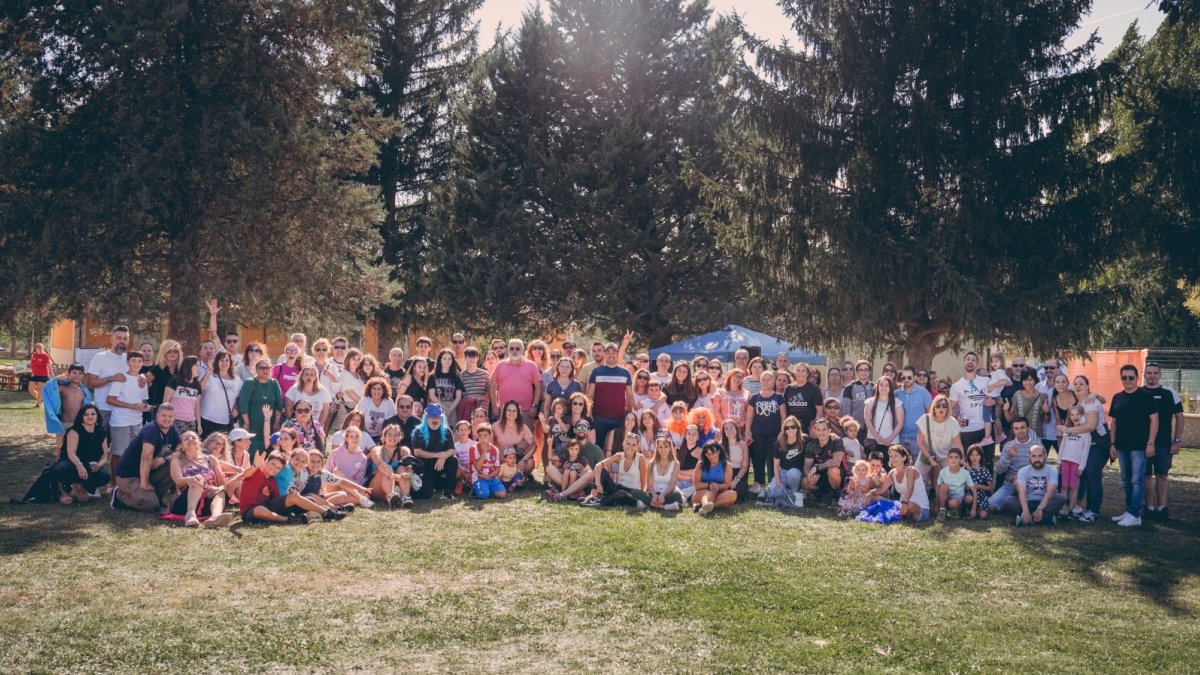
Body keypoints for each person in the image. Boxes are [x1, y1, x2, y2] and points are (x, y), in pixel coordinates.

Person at [1107, 364, 1158, 527]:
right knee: (1126, 480)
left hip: (1139, 447)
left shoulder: (1146, 396)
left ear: (1137, 377)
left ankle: (1135, 514)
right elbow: (1113, 423)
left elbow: (1154, 420)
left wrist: (1151, 442)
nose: (1127, 381)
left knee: (1137, 480)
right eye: (1124, 377)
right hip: (1121, 446)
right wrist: (1112, 444)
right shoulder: (1117, 397)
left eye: (1131, 377)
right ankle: (1129, 511)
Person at [112, 404, 182, 512]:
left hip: (148, 472)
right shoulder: (151, 429)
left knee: (176, 463)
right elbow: (146, 457)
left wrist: (165, 459)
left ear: (174, 417)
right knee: (151, 506)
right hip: (128, 476)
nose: (167, 419)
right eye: (164, 415)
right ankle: (119, 495)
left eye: (170, 416)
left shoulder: (173, 430)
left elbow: (181, 451)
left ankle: (155, 496)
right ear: (157, 416)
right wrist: (144, 484)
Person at [1142, 362, 1185, 519]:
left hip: (1164, 444)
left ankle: (1162, 508)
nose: (1152, 376)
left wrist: (1177, 440)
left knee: (1162, 476)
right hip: (1142, 444)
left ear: (1160, 374)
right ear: (1144, 374)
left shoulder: (1169, 393)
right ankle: (1149, 508)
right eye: (1149, 373)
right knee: (1145, 476)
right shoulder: (1138, 392)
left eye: (1155, 373)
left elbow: (1180, 417)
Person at [168, 431, 234, 528]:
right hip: (184, 502)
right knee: (198, 478)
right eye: (186, 439)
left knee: (220, 492)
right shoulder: (177, 460)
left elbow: (223, 485)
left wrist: (217, 488)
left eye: (194, 438)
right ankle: (190, 515)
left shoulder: (210, 459)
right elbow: (179, 481)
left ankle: (215, 517)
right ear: (182, 446)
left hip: (206, 500)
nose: (190, 439)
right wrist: (190, 480)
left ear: (199, 444)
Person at [993, 444, 1066, 526]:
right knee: (1008, 500)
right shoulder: (1023, 471)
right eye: (1034, 456)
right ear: (1029, 458)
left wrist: (1039, 509)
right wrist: (1025, 510)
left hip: (1044, 503)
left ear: (1045, 456)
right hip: (1027, 502)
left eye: (1040, 456)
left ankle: (1025, 519)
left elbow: (1051, 491)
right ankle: (1045, 518)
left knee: (1061, 498)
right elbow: (1022, 491)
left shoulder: (1052, 470)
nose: (1037, 459)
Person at [105, 352, 151, 480]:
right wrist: (130, 406)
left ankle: (128, 479)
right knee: (118, 453)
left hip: (137, 421)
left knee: (134, 453)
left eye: (139, 361)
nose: (136, 364)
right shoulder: (121, 379)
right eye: (133, 361)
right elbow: (110, 399)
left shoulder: (142, 380)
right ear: (128, 362)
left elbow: (143, 401)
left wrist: (145, 406)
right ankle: (113, 482)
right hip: (120, 421)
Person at [52, 404, 110, 504]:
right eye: (86, 414)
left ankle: (81, 486)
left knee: (105, 476)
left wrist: (99, 465)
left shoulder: (101, 433)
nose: (90, 416)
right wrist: (80, 466)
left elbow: (105, 456)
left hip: (89, 465)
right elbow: (71, 453)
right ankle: (64, 491)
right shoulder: (74, 431)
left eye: (93, 414)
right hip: (71, 463)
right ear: (81, 417)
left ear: (97, 417)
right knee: (65, 468)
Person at [586, 341, 635, 452]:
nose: (611, 355)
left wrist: (631, 412)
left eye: (614, 352)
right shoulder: (596, 372)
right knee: (597, 448)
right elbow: (589, 395)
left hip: (619, 418)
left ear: (618, 354)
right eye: (608, 352)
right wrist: (589, 414)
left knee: (617, 449)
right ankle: (597, 469)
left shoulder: (625, 373)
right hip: (599, 418)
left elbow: (630, 395)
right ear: (604, 354)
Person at [86, 325, 135, 431]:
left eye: (125, 338)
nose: (122, 341)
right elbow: (90, 383)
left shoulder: (130, 359)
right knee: (101, 444)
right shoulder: (100, 357)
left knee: (120, 446)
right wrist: (111, 379)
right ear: (111, 340)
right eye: (118, 338)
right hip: (103, 409)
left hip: (123, 411)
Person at [866, 444, 930, 522]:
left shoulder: (911, 470)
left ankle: (900, 512)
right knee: (876, 498)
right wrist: (870, 492)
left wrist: (904, 502)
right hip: (902, 505)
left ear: (904, 457)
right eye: (891, 456)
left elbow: (910, 488)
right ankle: (900, 512)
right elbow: (882, 489)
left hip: (920, 509)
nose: (893, 458)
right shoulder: (892, 473)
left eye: (896, 455)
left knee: (909, 505)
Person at [409, 403, 459, 500]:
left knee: (453, 460)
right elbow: (417, 452)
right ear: (426, 418)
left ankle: (448, 491)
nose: (434, 420)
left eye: (437, 417)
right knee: (426, 494)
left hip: (440, 464)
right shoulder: (418, 431)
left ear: (441, 418)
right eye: (431, 417)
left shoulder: (446, 430)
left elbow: (452, 450)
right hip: (425, 465)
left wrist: (443, 456)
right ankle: (433, 484)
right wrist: (437, 455)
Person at [746, 370, 785, 492]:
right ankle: (759, 484)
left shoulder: (779, 397)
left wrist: (781, 431)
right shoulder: (754, 397)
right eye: (763, 379)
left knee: (772, 459)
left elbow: (784, 416)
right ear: (760, 381)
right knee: (758, 459)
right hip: (758, 433)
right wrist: (748, 431)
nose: (766, 382)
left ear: (773, 381)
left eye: (769, 379)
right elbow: (749, 417)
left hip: (774, 433)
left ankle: (772, 483)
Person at [588, 433, 651, 508]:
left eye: (633, 445)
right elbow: (599, 465)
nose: (630, 446)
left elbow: (644, 482)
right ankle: (595, 496)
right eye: (628, 443)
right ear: (624, 443)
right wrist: (597, 482)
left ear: (637, 447)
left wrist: (642, 496)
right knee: (602, 472)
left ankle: (599, 502)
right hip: (617, 488)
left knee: (622, 493)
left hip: (631, 493)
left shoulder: (641, 459)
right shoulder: (619, 456)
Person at [238, 358, 284, 462]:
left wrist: (277, 421)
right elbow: (243, 403)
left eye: (268, 368)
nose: (265, 370)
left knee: (267, 449)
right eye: (262, 368)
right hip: (252, 423)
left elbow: (279, 404)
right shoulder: (250, 382)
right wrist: (246, 422)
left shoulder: (273, 383)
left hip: (270, 423)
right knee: (252, 450)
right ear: (256, 369)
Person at [989, 418, 1039, 510]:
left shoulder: (1037, 446)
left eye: (1022, 427)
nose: (1020, 431)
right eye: (1016, 428)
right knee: (991, 505)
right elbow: (999, 470)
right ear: (1013, 430)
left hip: (1032, 484)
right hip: (1010, 485)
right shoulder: (1008, 446)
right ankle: (1018, 503)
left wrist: (1021, 476)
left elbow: (1041, 469)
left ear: (1028, 428)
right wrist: (1008, 456)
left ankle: (1018, 504)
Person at [948, 352, 991, 458]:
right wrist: (957, 418)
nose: (970, 361)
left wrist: (994, 402)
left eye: (973, 360)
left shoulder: (986, 381)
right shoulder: (956, 386)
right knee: (968, 463)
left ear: (976, 364)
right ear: (964, 362)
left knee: (987, 462)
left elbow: (997, 399)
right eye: (968, 359)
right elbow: (949, 409)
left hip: (985, 429)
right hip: (967, 431)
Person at [915, 394, 962, 485]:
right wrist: (929, 457)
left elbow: (958, 444)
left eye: (944, 406)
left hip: (946, 455)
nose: (941, 408)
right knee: (916, 477)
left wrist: (961, 458)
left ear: (948, 408)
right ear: (933, 407)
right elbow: (920, 442)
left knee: (952, 478)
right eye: (938, 405)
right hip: (927, 454)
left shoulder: (953, 422)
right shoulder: (925, 419)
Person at [42, 363, 91, 447]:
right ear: (68, 374)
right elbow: (47, 387)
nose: (77, 375)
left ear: (83, 375)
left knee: (77, 449)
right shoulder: (62, 388)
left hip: (79, 425)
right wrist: (57, 378)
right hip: (64, 424)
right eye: (74, 373)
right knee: (61, 450)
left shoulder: (84, 391)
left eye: (80, 373)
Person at [1056, 404, 1090, 518]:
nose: (1075, 417)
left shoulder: (1086, 434)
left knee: (1073, 487)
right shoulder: (1067, 431)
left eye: (1078, 414)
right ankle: (1063, 507)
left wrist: (1082, 467)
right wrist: (1059, 461)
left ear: (1083, 416)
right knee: (1064, 486)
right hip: (1065, 461)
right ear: (1069, 417)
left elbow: (1085, 451)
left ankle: (1071, 509)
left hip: (1076, 463)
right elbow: (1062, 447)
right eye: (1072, 414)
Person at [801, 417, 846, 501]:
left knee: (832, 470)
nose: (821, 432)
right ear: (815, 431)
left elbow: (836, 462)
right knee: (805, 482)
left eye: (824, 429)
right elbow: (807, 467)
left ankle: (835, 496)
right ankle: (822, 495)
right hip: (820, 475)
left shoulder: (836, 440)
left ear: (829, 430)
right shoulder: (811, 445)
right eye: (818, 429)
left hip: (838, 475)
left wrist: (817, 467)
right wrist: (810, 477)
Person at [199, 351, 240, 437]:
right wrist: (206, 374)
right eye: (221, 360)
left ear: (231, 363)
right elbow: (199, 390)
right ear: (217, 362)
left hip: (226, 422)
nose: (224, 363)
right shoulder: (210, 376)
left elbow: (240, 397)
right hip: (207, 420)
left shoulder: (236, 380)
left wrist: (236, 407)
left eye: (227, 360)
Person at [894, 366, 932, 458]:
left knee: (918, 469)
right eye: (903, 378)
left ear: (915, 378)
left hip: (917, 437)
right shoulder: (896, 394)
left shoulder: (923, 392)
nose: (906, 380)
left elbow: (930, 413)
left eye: (909, 377)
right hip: (899, 436)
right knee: (901, 468)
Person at [493, 400, 536, 478]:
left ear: (518, 413)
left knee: (530, 463)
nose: (511, 413)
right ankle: (509, 476)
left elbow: (533, 445)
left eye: (514, 411)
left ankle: (519, 476)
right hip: (500, 460)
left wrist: (524, 460)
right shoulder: (495, 426)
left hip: (515, 460)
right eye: (509, 410)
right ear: (504, 412)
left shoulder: (523, 427)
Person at [692, 441, 736, 515]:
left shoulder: (727, 465)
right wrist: (709, 485)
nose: (711, 456)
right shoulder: (700, 465)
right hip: (701, 494)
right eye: (708, 454)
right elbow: (696, 485)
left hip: (719, 493)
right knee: (708, 493)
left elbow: (726, 485)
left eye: (713, 453)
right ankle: (706, 504)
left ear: (718, 451)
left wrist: (716, 487)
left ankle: (704, 507)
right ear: (704, 454)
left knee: (733, 494)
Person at [285, 365, 333, 432]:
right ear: (302, 377)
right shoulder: (294, 390)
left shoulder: (322, 391)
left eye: (312, 375)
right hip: (296, 426)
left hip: (315, 426)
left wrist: (319, 426)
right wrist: (293, 424)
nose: (309, 376)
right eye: (306, 374)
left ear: (315, 378)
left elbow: (325, 410)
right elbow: (288, 407)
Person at [163, 356, 203, 435]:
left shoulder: (197, 385)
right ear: (189, 366)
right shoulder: (175, 380)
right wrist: (167, 419)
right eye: (197, 365)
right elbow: (165, 401)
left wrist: (199, 424)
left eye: (200, 366)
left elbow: (197, 407)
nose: (199, 368)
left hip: (192, 421)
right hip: (176, 420)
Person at [864, 375, 903, 453]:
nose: (884, 387)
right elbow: (867, 420)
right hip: (874, 441)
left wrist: (890, 438)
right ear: (877, 387)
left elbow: (900, 423)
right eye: (881, 385)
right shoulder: (869, 402)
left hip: (892, 443)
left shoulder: (897, 403)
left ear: (890, 388)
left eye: (887, 385)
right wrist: (876, 436)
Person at [935, 448, 976, 521]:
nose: (953, 460)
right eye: (951, 457)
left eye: (956, 457)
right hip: (946, 495)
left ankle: (961, 509)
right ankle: (942, 511)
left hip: (958, 496)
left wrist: (973, 509)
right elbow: (937, 487)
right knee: (944, 486)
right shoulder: (943, 471)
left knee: (953, 503)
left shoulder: (965, 473)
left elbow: (974, 491)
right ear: (948, 459)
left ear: (961, 460)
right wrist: (938, 505)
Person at [773, 416, 807, 504]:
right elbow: (776, 465)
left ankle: (795, 493)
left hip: (797, 473)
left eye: (793, 427)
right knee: (774, 492)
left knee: (793, 473)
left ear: (797, 428)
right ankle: (787, 492)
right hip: (783, 472)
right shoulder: (779, 443)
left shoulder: (805, 440)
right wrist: (778, 481)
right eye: (787, 428)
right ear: (784, 430)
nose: (790, 429)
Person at [470, 423, 508, 499]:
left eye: (485, 435)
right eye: (480, 435)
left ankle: (488, 488)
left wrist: (488, 476)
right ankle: (476, 489)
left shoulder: (495, 449)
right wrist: (484, 451)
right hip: (479, 478)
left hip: (491, 478)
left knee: (502, 495)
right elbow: (478, 468)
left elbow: (497, 469)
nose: (482, 438)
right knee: (484, 495)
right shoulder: (474, 449)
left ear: (491, 436)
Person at [981, 353, 1012, 445]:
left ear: (1002, 362)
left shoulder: (999, 372)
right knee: (994, 417)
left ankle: (987, 437)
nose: (994, 363)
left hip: (991, 395)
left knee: (986, 418)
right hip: (995, 395)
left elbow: (1005, 381)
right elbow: (1009, 382)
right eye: (992, 361)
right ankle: (1000, 434)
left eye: (996, 361)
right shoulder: (998, 372)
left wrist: (993, 386)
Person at [783, 363, 823, 433]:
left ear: (807, 374)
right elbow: (784, 409)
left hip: (808, 429)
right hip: (791, 429)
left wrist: (815, 427)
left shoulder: (814, 389)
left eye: (803, 371)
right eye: (798, 370)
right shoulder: (788, 388)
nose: (800, 373)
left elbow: (820, 410)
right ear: (795, 373)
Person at [354, 376, 396, 443]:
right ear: (370, 390)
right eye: (374, 388)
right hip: (364, 433)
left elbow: (392, 420)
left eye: (379, 389)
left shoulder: (389, 402)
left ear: (384, 390)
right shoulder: (365, 400)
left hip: (381, 435)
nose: (376, 391)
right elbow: (356, 416)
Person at [840, 360, 874, 442]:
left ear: (869, 371)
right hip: (855, 430)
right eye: (860, 370)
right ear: (856, 371)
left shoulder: (874, 387)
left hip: (872, 429)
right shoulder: (850, 388)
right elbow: (846, 412)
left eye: (866, 369)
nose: (863, 372)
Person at [428, 349, 464, 424]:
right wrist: (445, 409)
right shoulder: (433, 376)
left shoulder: (456, 376)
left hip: (452, 407)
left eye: (449, 359)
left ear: (452, 361)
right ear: (440, 359)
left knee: (451, 430)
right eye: (444, 358)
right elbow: (432, 396)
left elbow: (458, 396)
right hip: (437, 407)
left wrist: (450, 409)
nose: (447, 361)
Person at [458, 347, 490, 419]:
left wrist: (477, 398)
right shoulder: (461, 376)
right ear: (465, 358)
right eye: (469, 356)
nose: (472, 359)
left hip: (482, 409)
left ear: (478, 358)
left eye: (474, 356)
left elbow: (489, 393)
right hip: (467, 409)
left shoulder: (485, 374)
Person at [963, 444, 992, 520]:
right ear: (968, 456)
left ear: (981, 456)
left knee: (983, 516)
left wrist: (979, 486)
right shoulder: (965, 469)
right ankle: (966, 509)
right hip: (968, 494)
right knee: (968, 498)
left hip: (981, 496)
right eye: (972, 455)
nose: (974, 457)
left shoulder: (984, 470)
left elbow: (990, 487)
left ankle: (975, 511)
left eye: (977, 455)